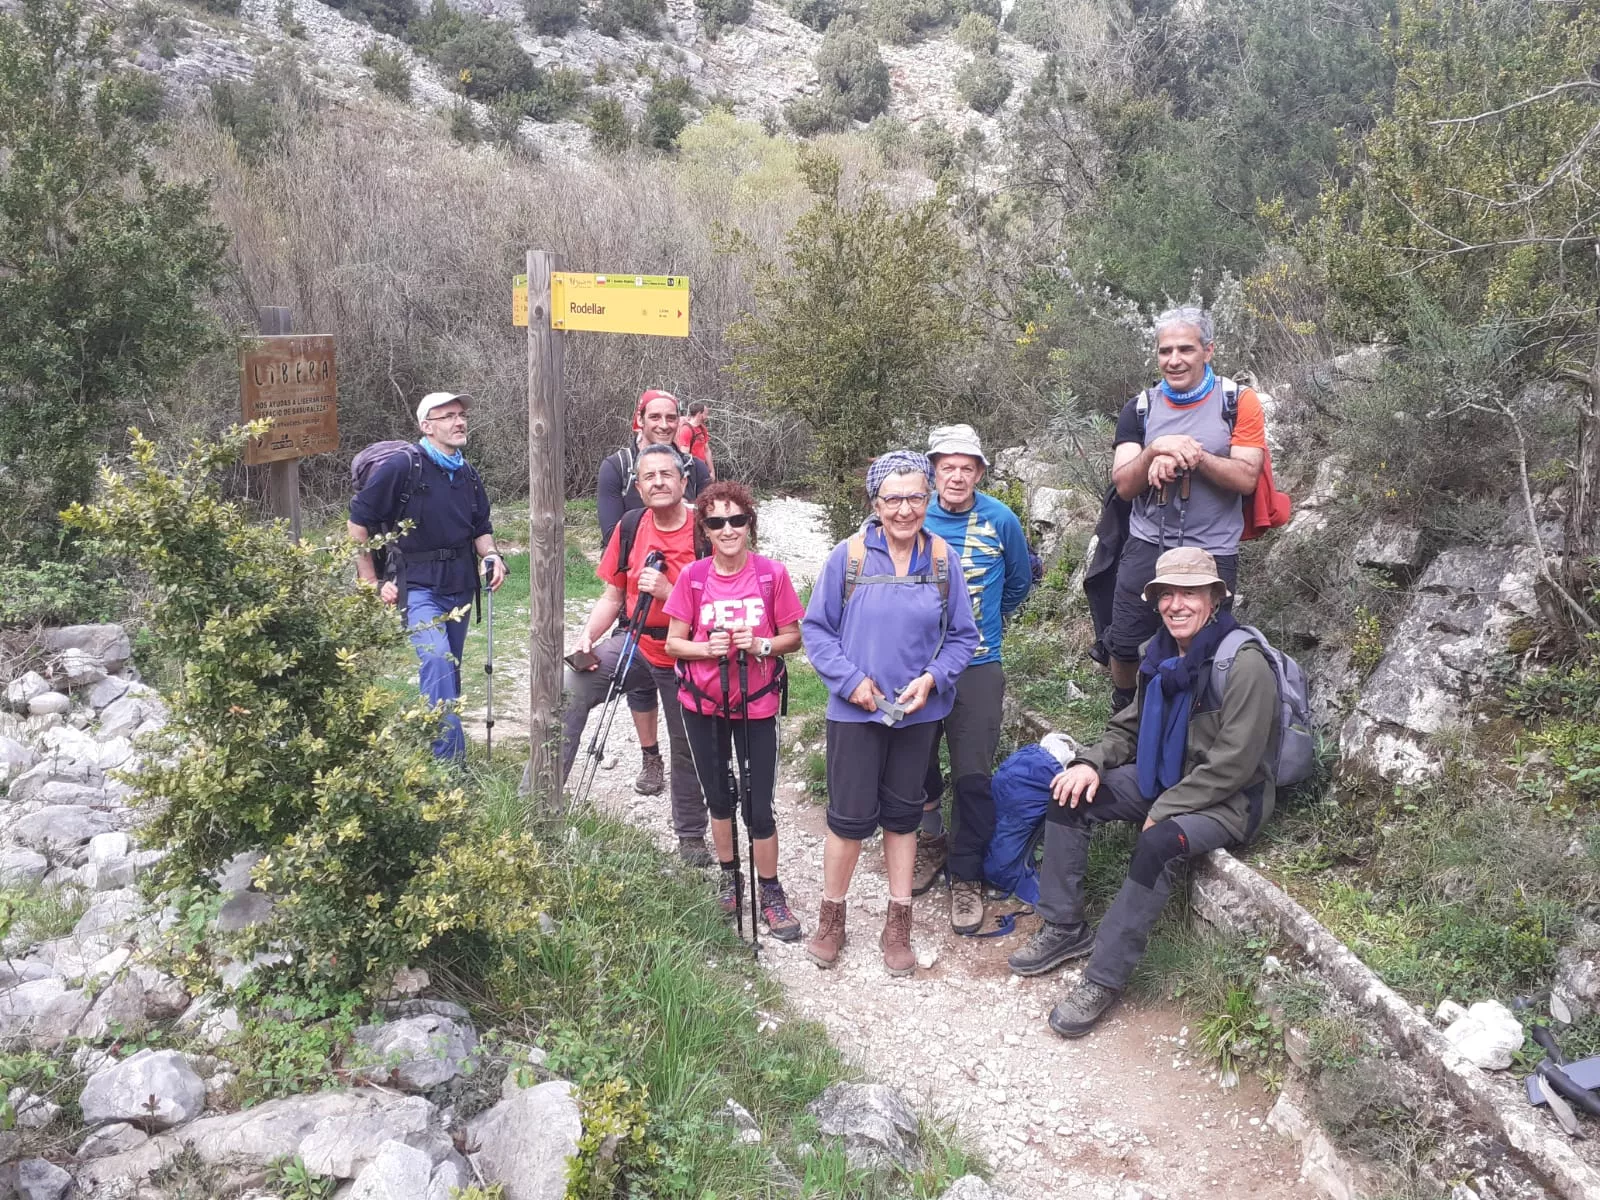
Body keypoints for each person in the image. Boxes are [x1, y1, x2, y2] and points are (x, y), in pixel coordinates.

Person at [1007, 547, 1279, 1038]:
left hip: (1232, 800)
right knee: (1069, 794)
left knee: (1157, 844)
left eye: (1190, 592)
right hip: (1166, 778)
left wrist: (1167, 809)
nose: (1177, 604)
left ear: (1214, 598)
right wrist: (1089, 762)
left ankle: (1103, 978)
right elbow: (1127, 727)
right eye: (1167, 593)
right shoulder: (1161, 652)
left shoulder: (1244, 665)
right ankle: (1065, 927)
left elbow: (1235, 764)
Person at [801, 451, 979, 975]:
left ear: (928, 499)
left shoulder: (942, 558)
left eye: (915, 497)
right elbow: (816, 629)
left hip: (916, 714)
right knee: (849, 819)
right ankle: (832, 918)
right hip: (855, 713)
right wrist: (851, 682)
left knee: (904, 819)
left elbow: (964, 637)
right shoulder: (849, 556)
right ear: (875, 503)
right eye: (893, 499)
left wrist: (934, 679)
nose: (905, 509)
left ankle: (897, 922)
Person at [1103, 307, 1266, 714]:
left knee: (1203, 643)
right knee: (1123, 641)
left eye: (1185, 349)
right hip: (1146, 543)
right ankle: (1125, 710)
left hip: (1212, 548)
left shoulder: (1238, 402)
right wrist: (1157, 449)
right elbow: (1124, 483)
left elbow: (1247, 477)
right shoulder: (1140, 408)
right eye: (1165, 351)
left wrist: (1194, 456)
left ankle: (1190, 720)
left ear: (1208, 350)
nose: (1174, 360)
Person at [664, 482, 803, 939]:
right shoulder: (694, 578)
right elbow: (673, 643)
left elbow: (793, 637)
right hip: (702, 703)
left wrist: (760, 644)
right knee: (718, 798)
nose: (728, 529)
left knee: (758, 804)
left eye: (737, 520)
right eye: (716, 522)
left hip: (756, 703)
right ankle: (729, 875)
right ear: (704, 528)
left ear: (750, 524)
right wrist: (707, 650)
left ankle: (770, 890)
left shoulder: (771, 575)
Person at [563, 444, 712, 865]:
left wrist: (671, 593)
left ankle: (691, 836)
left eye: (667, 474)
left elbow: (724, 604)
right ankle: (538, 801)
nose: (659, 482)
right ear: (638, 486)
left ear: (685, 482)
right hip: (633, 641)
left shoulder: (707, 531)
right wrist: (587, 636)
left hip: (686, 653)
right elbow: (613, 594)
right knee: (566, 687)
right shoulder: (630, 526)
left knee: (687, 746)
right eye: (649, 477)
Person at [915, 424, 1034, 933]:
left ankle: (964, 876)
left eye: (968, 467)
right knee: (914, 765)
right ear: (934, 470)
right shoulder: (912, 514)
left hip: (980, 665)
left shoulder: (1000, 519)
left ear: (981, 471)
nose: (957, 476)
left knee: (972, 775)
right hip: (914, 664)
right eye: (948, 466)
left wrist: (986, 627)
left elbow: (1020, 582)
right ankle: (929, 839)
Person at [350, 392, 506, 762]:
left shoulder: (466, 473)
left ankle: (441, 746)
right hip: (415, 584)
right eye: (448, 416)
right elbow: (357, 525)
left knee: (449, 666)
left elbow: (480, 527)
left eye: (461, 414)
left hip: (460, 583)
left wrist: (493, 555)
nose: (459, 421)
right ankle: (448, 764)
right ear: (426, 426)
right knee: (436, 660)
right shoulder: (403, 467)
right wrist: (371, 582)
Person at [595, 389, 713, 794]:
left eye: (671, 416)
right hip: (635, 603)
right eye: (655, 416)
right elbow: (612, 534)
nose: (663, 424)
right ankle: (649, 756)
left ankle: (692, 823)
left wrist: (672, 585)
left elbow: (713, 525)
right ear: (638, 420)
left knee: (687, 732)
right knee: (638, 686)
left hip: (685, 634)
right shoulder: (618, 467)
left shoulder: (695, 467)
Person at [675, 399, 716, 480]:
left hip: (702, 470)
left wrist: (712, 471)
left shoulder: (702, 428)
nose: (707, 416)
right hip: (692, 472)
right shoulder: (686, 430)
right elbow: (684, 455)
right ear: (699, 414)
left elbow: (707, 450)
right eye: (705, 413)